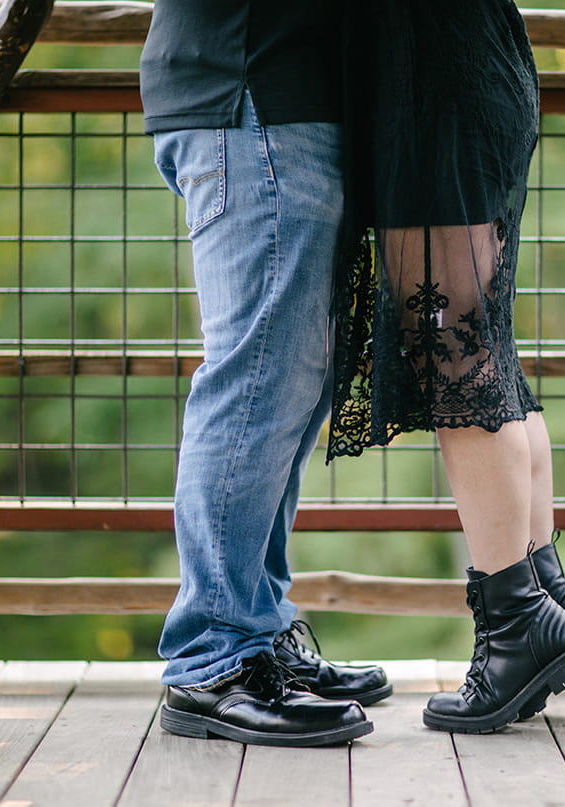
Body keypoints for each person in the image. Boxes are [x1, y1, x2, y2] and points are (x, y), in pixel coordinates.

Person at [330, 0, 565, 733]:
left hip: (434, 77)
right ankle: (539, 590)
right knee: (478, 350)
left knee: (453, 360)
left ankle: (518, 621)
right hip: (463, 66)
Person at [139, 0, 390, 747]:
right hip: (252, 94)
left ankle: (254, 631)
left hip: (272, 97)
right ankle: (215, 658)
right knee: (255, 384)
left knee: (287, 390)